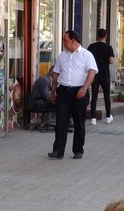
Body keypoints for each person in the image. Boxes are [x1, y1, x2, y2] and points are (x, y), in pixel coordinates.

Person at [48, 30, 97, 159]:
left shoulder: (86, 55)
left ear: (73, 41)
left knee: (78, 121)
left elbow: (92, 73)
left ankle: (78, 149)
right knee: (61, 121)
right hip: (63, 91)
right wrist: (53, 91)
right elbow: (56, 74)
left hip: (79, 92)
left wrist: (85, 88)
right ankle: (58, 150)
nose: (63, 43)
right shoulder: (62, 55)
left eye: (65, 40)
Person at [87, 29, 115, 125]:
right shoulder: (108, 47)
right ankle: (108, 116)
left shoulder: (91, 47)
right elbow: (111, 61)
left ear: (97, 36)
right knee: (107, 96)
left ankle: (93, 118)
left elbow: (87, 59)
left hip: (94, 74)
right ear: (106, 36)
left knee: (94, 95)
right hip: (105, 74)